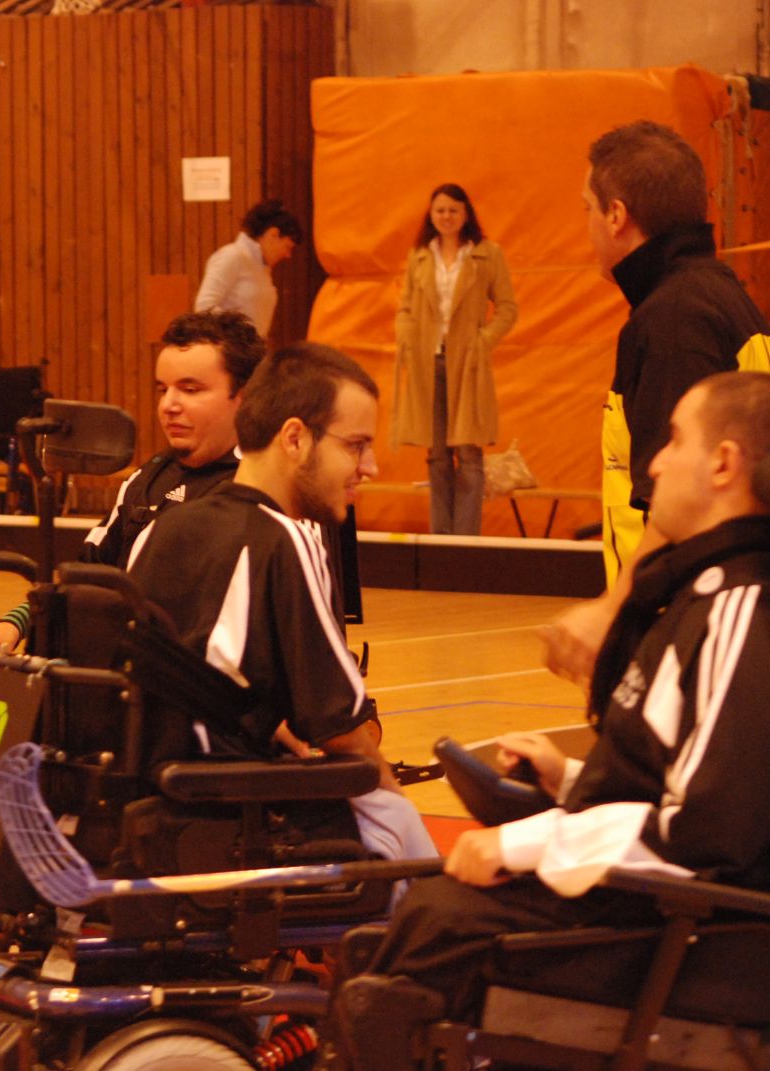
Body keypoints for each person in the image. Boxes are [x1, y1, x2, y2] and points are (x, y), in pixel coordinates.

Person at [330, 371, 770, 1068]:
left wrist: (525, 843)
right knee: (412, 927)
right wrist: (567, 779)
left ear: (723, 463)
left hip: (699, 943)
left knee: (432, 929)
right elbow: (687, 783)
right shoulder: (704, 595)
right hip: (652, 908)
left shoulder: (743, 610)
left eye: (674, 440)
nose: (654, 462)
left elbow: (708, 833)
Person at [127, 343, 437, 863]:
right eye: (356, 446)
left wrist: (262, 722)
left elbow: (181, 676)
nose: (370, 466)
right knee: (392, 815)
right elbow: (342, 731)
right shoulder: (289, 538)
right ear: (294, 439)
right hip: (228, 818)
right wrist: (395, 797)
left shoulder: (161, 530)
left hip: (145, 809)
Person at [543, 121, 770, 684]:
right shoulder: (718, 295)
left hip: (686, 628)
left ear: (617, 216)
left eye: (588, 208)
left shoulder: (673, 321)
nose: (587, 225)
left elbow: (681, 499)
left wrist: (612, 610)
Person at [0, 311, 264, 657]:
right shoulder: (145, 481)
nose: (169, 405)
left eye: (190, 389)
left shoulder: (263, 493)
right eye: (163, 390)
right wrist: (21, 619)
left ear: (245, 397)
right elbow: (89, 572)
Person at [390, 183, 517, 535]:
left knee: (469, 453)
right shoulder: (419, 256)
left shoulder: (487, 254)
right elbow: (404, 308)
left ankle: (466, 542)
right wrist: (407, 337)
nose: (446, 216)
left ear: (465, 214)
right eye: (440, 210)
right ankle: (440, 540)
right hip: (427, 364)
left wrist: (483, 342)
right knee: (437, 456)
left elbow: (507, 308)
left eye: (453, 210)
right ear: (430, 215)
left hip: (468, 365)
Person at [194, 199, 302, 338]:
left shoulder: (261, 268)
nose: (288, 255)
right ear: (273, 234)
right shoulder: (232, 255)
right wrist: (240, 335)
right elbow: (204, 307)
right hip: (229, 348)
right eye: (288, 247)